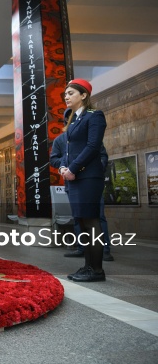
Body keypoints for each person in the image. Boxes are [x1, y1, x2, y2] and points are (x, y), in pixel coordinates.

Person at [59, 79, 107, 282]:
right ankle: (87, 266)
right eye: (65, 94)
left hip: (88, 176)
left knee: (91, 221)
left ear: (84, 95)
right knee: (82, 221)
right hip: (76, 177)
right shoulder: (75, 120)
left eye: (71, 93)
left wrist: (73, 168)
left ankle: (96, 270)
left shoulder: (94, 116)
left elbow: (93, 146)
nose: (66, 97)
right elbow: (68, 150)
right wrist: (64, 166)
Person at [50, 109, 114, 261]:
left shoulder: (89, 134)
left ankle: (104, 249)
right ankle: (82, 247)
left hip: (90, 181)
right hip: (71, 182)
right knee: (78, 216)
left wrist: (94, 168)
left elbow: (101, 155)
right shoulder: (60, 140)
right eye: (69, 119)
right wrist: (65, 166)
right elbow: (54, 159)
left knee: (97, 216)